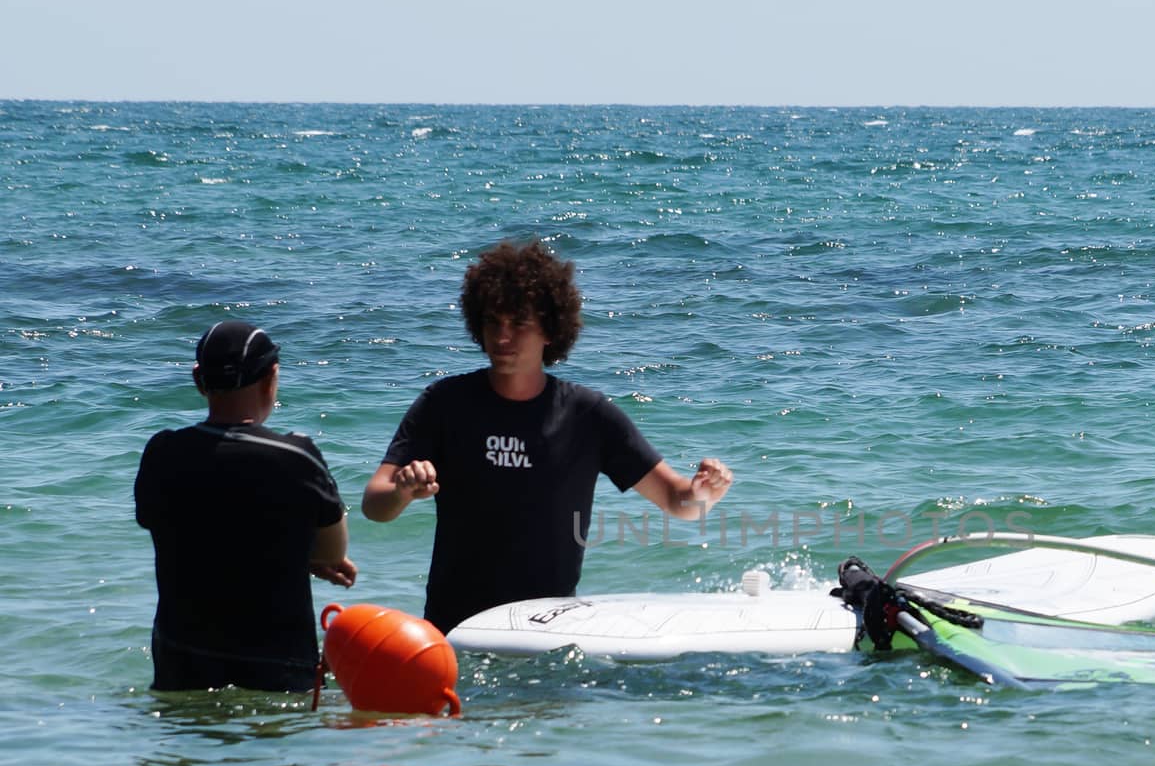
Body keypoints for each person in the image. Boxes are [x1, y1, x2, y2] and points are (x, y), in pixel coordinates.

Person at [362, 238, 733, 634]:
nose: (503, 337)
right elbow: (374, 504)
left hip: (546, 631)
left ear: (550, 331)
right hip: (456, 629)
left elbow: (677, 501)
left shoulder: (587, 415)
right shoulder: (445, 403)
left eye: (519, 324)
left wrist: (704, 492)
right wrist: (402, 491)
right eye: (493, 322)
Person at [135, 320, 357, 691]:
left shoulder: (163, 453)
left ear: (198, 380)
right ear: (272, 377)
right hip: (278, 664)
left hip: (182, 661)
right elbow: (334, 551)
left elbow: (160, 522)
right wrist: (308, 559)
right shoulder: (296, 456)